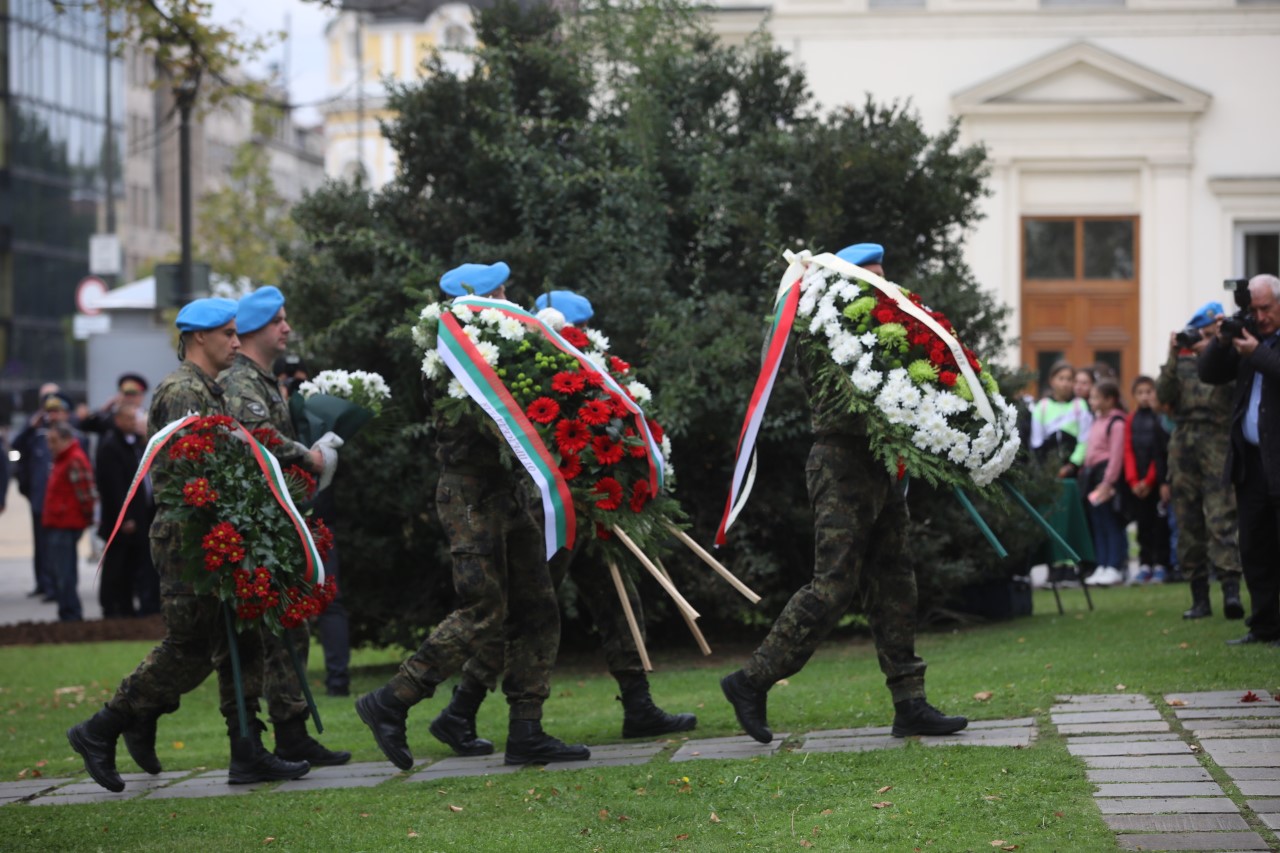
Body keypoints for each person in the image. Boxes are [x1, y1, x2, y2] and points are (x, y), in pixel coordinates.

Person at [426, 290, 695, 756]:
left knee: (618, 597)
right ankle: (461, 709)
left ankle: (638, 703)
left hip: (587, 503)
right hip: (550, 510)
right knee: (523, 613)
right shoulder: (542, 364)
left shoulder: (577, 362)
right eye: (580, 329)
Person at [720, 242, 967, 745]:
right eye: (869, 280)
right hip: (841, 464)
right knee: (833, 584)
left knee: (896, 580)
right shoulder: (821, 331)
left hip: (881, 467)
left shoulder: (887, 332)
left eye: (883, 279)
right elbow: (852, 399)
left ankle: (910, 702)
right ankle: (751, 681)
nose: (881, 289)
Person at [66, 297, 309, 793]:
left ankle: (247, 752)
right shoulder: (182, 391)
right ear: (200, 337)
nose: (237, 343)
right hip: (190, 540)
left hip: (215, 534)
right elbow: (185, 475)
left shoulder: (207, 389)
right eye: (228, 334)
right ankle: (102, 727)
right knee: (191, 647)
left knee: (239, 643)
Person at [356, 262, 590, 768]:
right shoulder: (455, 360)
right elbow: (496, 426)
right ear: (489, 298)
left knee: (537, 607)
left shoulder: (485, 352)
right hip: (469, 497)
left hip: (501, 493)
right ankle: (392, 700)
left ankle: (526, 728)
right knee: (482, 610)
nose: (513, 300)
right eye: (505, 292)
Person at [220, 285, 350, 767]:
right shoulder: (240, 381)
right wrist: (308, 457)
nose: (287, 328)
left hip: (277, 519)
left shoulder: (265, 378)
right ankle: (263, 742)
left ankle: (292, 733)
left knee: (292, 629)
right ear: (256, 328)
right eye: (279, 320)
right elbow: (256, 436)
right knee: (270, 636)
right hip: (256, 525)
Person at [1198, 274, 1280, 646]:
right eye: (1253, 308)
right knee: (1255, 547)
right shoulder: (1251, 337)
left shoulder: (1261, 347)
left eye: (1266, 308)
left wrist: (1257, 353)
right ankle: (1264, 625)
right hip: (1252, 463)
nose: (1259, 316)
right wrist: (1221, 340)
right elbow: (1209, 373)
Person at [1157, 302, 1243, 620]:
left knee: (1222, 517)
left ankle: (1231, 591)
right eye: (1200, 335)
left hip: (1218, 442)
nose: (1203, 341)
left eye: (1210, 335)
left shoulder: (1228, 361)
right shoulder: (1181, 365)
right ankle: (1199, 598)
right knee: (1188, 520)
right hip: (1184, 444)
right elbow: (1163, 395)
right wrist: (1172, 353)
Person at [94, 400, 157, 618]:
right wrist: (126, 517)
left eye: (135, 418)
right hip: (121, 519)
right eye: (129, 418)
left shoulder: (135, 444)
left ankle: (129, 606)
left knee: (133, 565)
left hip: (140, 515)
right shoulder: (110, 447)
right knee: (116, 566)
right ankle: (112, 607)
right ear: (118, 420)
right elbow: (114, 486)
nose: (133, 422)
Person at [12, 387, 75, 601]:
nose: (53, 416)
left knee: (59, 547)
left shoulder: (71, 435)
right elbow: (16, 447)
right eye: (50, 411)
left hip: (63, 503)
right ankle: (44, 583)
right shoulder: (37, 434)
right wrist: (31, 425)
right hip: (40, 499)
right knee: (41, 545)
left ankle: (58, 587)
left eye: (57, 411)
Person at [42, 421, 96, 622]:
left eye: (54, 441)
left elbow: (87, 495)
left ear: (66, 440)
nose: (50, 446)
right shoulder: (63, 459)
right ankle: (67, 612)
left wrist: (87, 519)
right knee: (61, 572)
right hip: (59, 522)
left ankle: (71, 615)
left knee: (65, 574)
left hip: (66, 524)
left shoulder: (73, 459)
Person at [1079, 379, 1129, 587]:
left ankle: (1115, 565)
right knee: (1097, 522)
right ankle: (1102, 564)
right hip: (1092, 476)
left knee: (1111, 522)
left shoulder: (1116, 423)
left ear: (1110, 399)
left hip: (1105, 477)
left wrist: (1108, 483)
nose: (1091, 401)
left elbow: (1116, 456)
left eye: (1096, 397)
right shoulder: (1097, 419)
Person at [1123, 376, 1171, 583]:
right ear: (1134, 396)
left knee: (1159, 525)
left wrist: (1150, 480)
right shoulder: (1131, 419)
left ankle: (1161, 563)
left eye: (1149, 392)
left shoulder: (1159, 419)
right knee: (1142, 525)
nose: (1145, 396)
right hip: (1137, 484)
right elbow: (1128, 450)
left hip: (1156, 482)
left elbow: (1159, 454)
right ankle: (1145, 563)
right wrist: (1134, 481)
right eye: (1140, 392)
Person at [1031, 360, 1093, 478]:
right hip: (1047, 472)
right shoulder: (1042, 406)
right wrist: (1046, 466)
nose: (1065, 383)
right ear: (1052, 381)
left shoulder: (1080, 405)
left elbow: (1085, 439)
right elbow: (1036, 441)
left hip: (1074, 472)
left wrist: (1072, 465)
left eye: (1069, 379)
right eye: (1061, 378)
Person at [78, 373, 149, 434]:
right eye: (126, 394)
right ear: (119, 395)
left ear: (142, 396)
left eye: (133, 395)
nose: (129, 399)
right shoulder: (108, 417)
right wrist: (104, 409)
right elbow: (84, 426)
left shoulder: (148, 417)